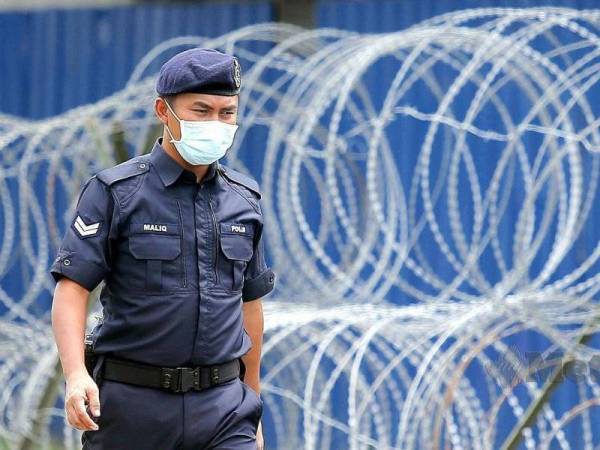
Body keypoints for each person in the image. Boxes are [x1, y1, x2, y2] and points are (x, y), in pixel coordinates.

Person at [50, 47, 275, 450]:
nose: (216, 123)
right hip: (134, 408)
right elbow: (72, 289)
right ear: (163, 111)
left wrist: (252, 402)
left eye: (227, 113)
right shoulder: (117, 193)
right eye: (201, 111)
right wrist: (75, 375)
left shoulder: (245, 200)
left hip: (224, 410)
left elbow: (250, 308)